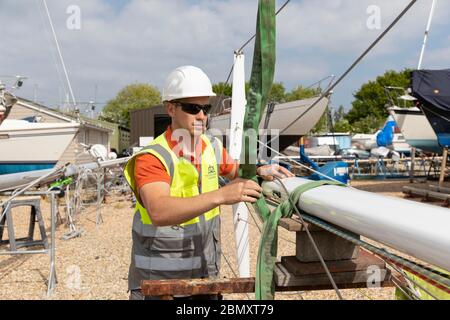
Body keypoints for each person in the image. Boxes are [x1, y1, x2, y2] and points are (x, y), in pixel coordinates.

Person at [124, 66, 293, 300]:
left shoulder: (210, 147)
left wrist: (261, 170)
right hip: (161, 286)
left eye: (206, 108)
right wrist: (223, 196)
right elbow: (159, 211)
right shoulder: (153, 157)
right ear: (170, 108)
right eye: (193, 108)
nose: (202, 116)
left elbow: (236, 171)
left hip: (205, 279)